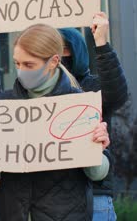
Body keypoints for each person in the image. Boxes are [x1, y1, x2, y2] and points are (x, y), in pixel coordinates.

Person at [0, 22, 111, 221]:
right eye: (17, 64)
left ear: (54, 61)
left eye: (29, 65)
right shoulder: (6, 104)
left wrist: (96, 150)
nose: (21, 71)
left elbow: (98, 174)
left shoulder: (80, 105)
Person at [58, 12, 127, 221]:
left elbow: (116, 93)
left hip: (94, 194)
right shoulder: (39, 93)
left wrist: (101, 42)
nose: (55, 55)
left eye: (62, 48)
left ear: (76, 51)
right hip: (54, 199)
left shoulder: (93, 86)